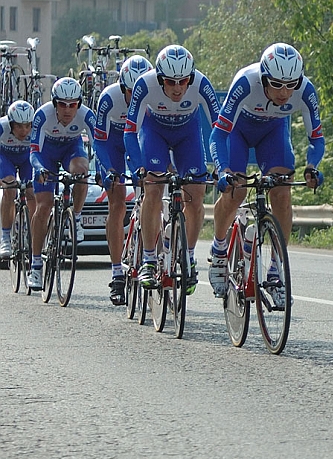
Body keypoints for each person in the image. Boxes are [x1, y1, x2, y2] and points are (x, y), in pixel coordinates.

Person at [208, 42, 324, 299]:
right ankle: (218, 252)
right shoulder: (245, 83)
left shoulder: (305, 91)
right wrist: (223, 169)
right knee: (235, 192)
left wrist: (312, 167)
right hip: (237, 131)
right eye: (277, 84)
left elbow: (316, 139)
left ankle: (276, 269)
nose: (284, 92)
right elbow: (217, 136)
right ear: (263, 79)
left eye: (290, 85)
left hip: (273, 132)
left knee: (282, 192)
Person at [124, 44, 219, 294]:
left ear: (191, 77)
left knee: (196, 194)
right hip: (154, 132)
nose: (177, 88)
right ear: (159, 78)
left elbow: (221, 128)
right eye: (170, 82)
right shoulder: (145, 85)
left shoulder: (201, 84)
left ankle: (187, 255)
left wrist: (222, 165)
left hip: (188, 133)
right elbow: (130, 130)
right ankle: (148, 258)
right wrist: (139, 166)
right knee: (153, 188)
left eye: (183, 81)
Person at [92, 55, 153, 305]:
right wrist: (107, 170)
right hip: (113, 147)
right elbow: (99, 140)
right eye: (130, 91)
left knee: (153, 190)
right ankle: (117, 271)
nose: (134, 96)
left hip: (137, 142)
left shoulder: (155, 95)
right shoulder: (109, 97)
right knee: (117, 202)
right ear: (122, 87)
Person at [28, 78, 95, 290]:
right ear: (55, 103)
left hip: (71, 149)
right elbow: (34, 151)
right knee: (44, 205)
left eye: (73, 105)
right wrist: (39, 169)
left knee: (82, 171)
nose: (67, 110)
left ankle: (75, 217)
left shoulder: (87, 115)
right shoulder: (42, 115)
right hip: (45, 153)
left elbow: (99, 145)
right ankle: (36, 265)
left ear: (79, 104)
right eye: (63, 105)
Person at [0, 100, 36, 259]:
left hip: (26, 159)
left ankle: (30, 230)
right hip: (5, 158)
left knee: (32, 190)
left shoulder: (37, 128)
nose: (24, 130)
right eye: (19, 126)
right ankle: (5, 236)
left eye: (27, 125)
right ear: (11, 124)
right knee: (10, 188)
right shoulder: (1, 127)